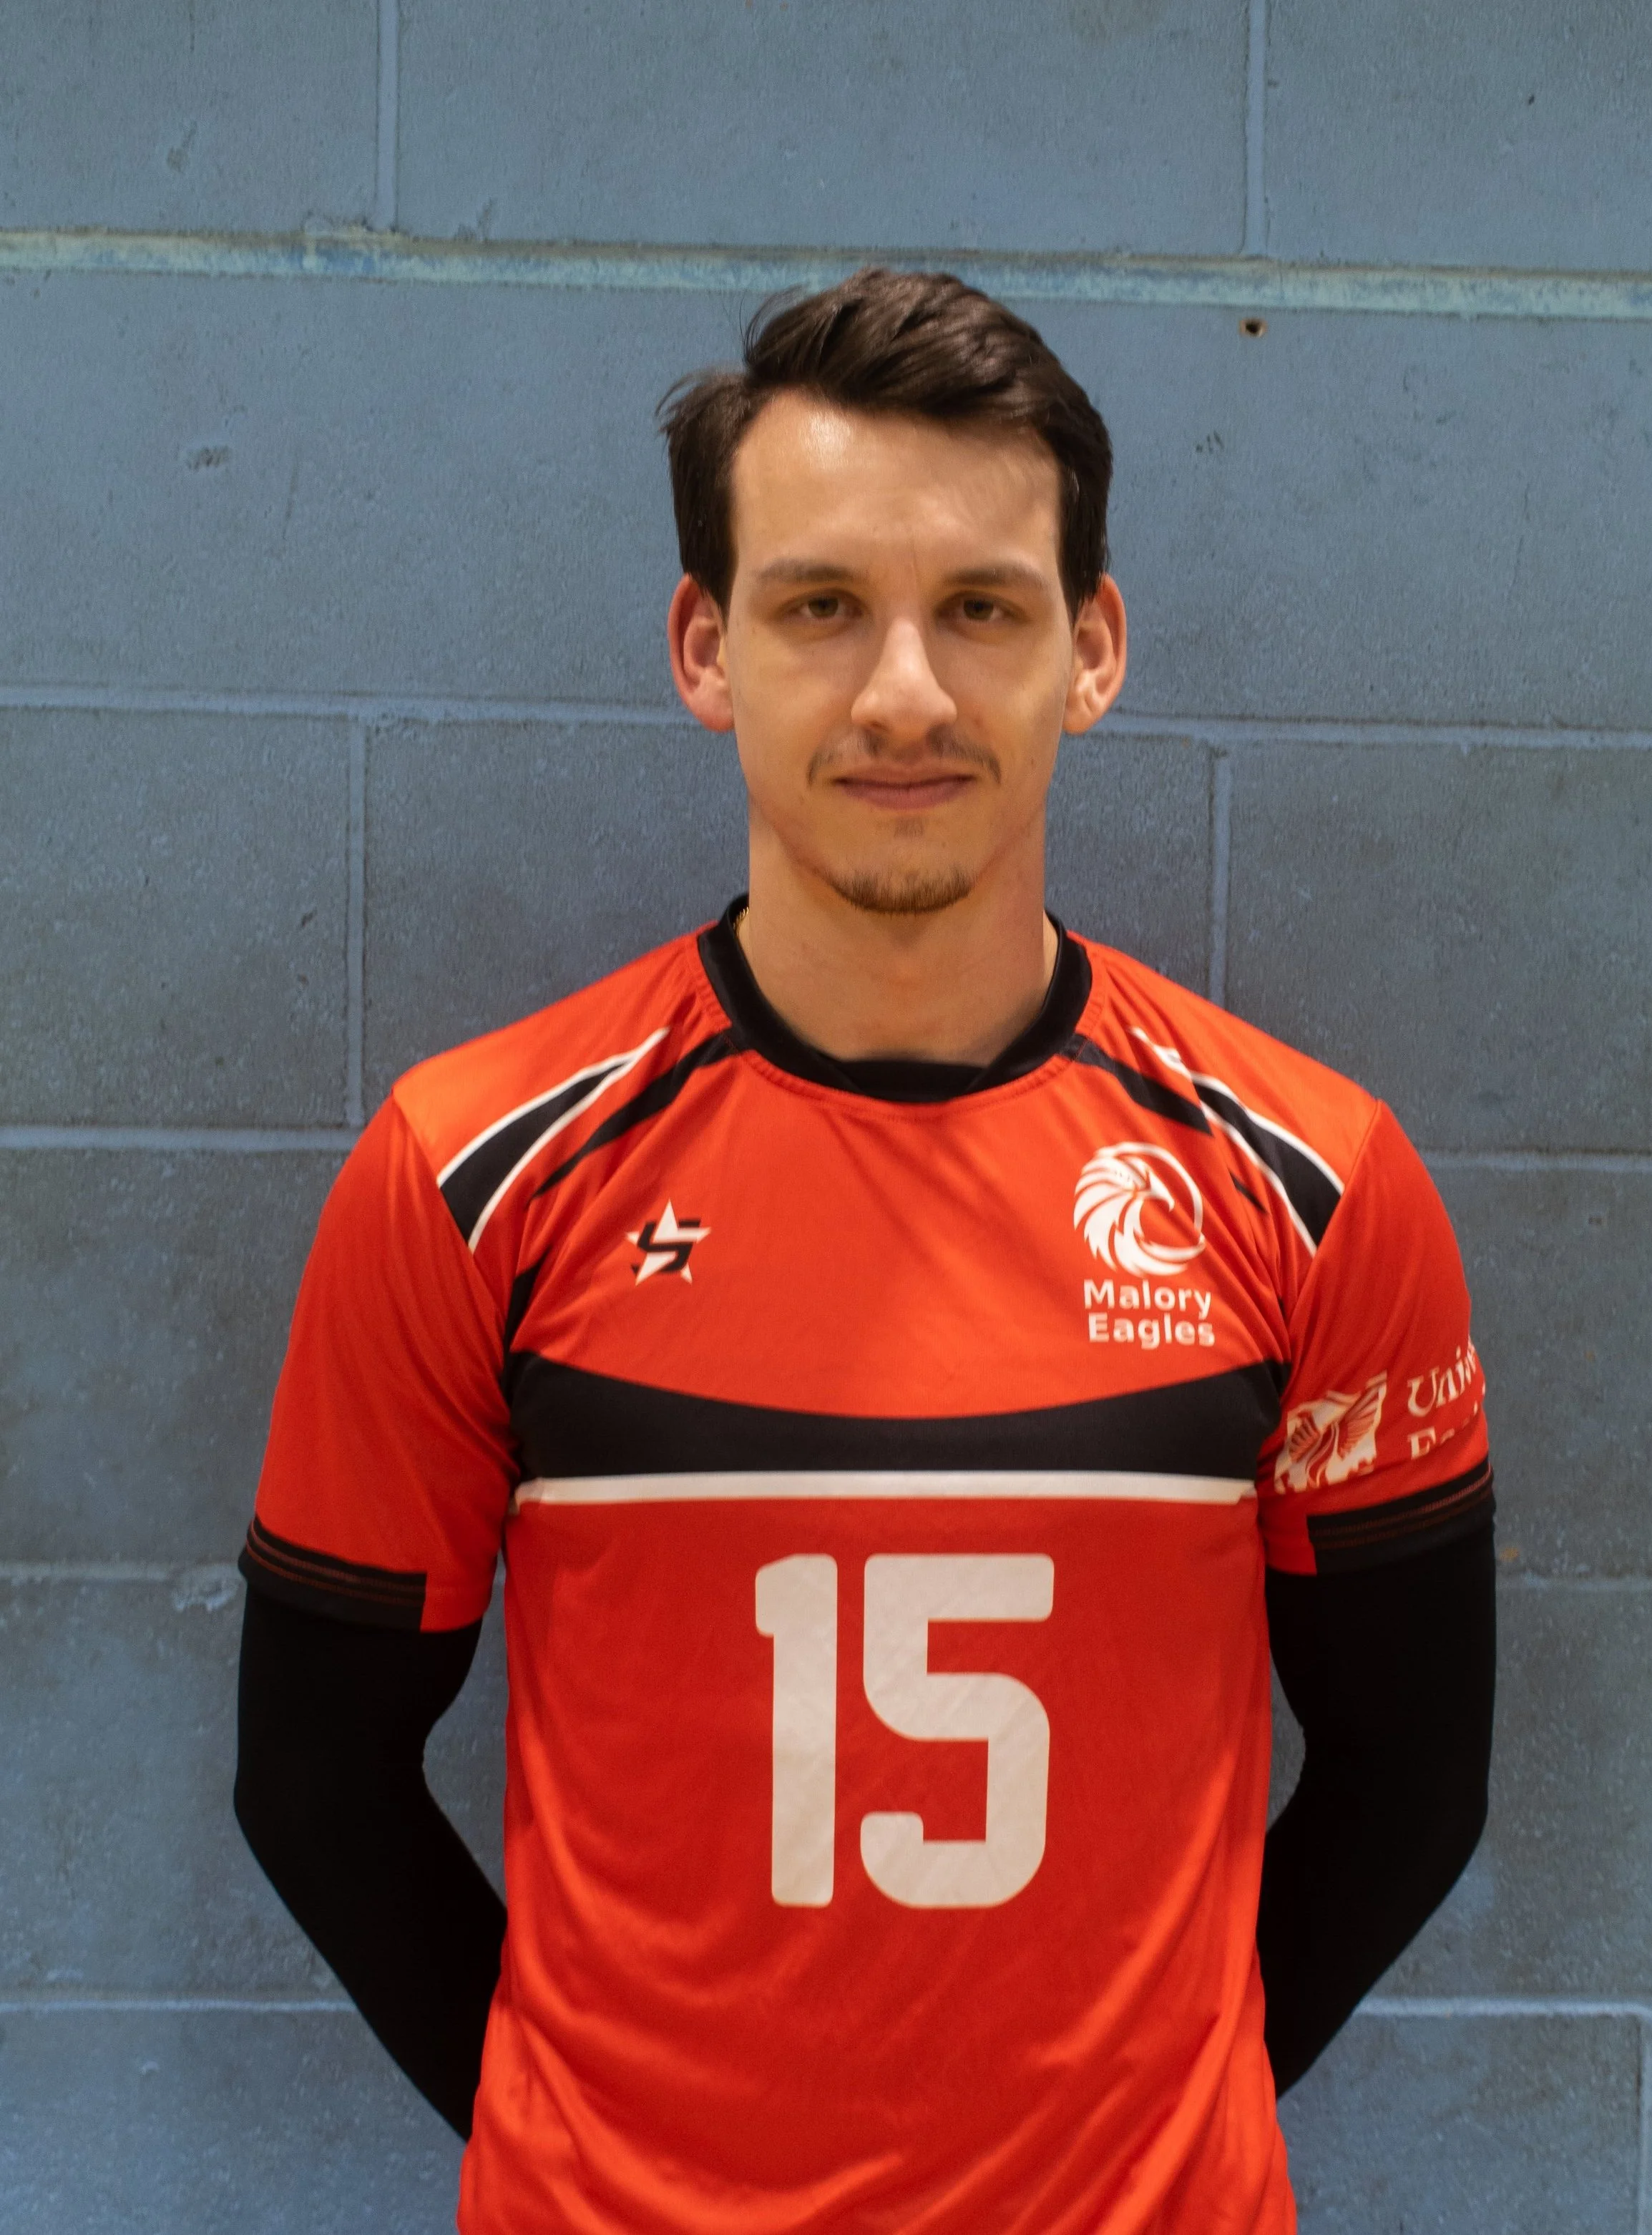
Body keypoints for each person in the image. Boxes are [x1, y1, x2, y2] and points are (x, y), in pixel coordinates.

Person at [234, 268, 1495, 2234]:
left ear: (1091, 650)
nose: (904, 690)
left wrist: (1155, 2139)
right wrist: (600, 2156)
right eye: (822, 606)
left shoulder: (1312, 1179)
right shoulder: (470, 1170)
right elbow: (313, 1784)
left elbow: (1415, 1780)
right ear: (704, 645)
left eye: (982, 610)